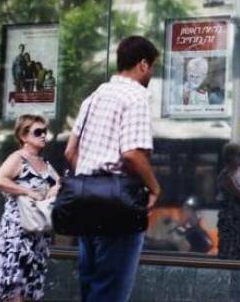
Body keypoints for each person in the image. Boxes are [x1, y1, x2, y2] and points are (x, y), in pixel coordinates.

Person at [64, 35, 161, 302]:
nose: (151, 73)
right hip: (118, 204)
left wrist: (92, 180)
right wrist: (154, 187)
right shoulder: (136, 96)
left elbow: (70, 152)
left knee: (91, 286)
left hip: (85, 200)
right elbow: (131, 154)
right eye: (152, 67)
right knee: (111, 292)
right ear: (143, 64)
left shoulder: (94, 96)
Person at [0, 114, 59, 302]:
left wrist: (53, 191)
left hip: (38, 230)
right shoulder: (18, 158)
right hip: (18, 229)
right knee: (14, 285)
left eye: (45, 132)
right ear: (23, 135)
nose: (43, 136)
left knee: (32, 285)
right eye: (38, 132)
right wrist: (26, 191)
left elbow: (58, 184)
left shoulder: (45, 163)